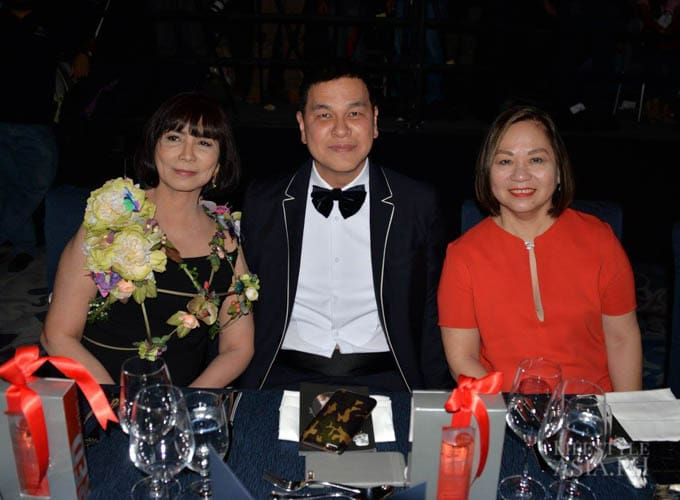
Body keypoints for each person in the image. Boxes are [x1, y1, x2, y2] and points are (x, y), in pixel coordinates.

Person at [238, 60, 452, 392]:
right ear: (302, 126)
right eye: (324, 115)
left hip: (388, 377)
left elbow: (431, 312)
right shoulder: (264, 201)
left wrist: (436, 400)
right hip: (281, 377)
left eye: (354, 113)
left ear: (375, 121)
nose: (341, 130)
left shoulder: (416, 203)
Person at [40, 92, 255, 388]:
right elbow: (57, 335)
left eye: (204, 143)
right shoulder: (112, 220)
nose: (187, 155)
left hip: (179, 400)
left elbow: (238, 347)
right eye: (174, 138)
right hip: (97, 392)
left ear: (219, 163)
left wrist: (185, 401)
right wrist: (119, 401)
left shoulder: (225, 240)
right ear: (154, 147)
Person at [437, 105, 643, 392]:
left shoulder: (600, 241)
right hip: (505, 406)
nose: (520, 175)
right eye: (505, 161)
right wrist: (509, 411)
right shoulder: (463, 255)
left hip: (590, 409)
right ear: (487, 173)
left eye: (536, 159)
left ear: (558, 171)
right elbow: (462, 359)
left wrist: (627, 413)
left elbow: (622, 339)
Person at [0, 0, 95, 272]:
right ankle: (23, 246)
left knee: (38, 183)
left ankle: (5, 231)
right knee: (8, 186)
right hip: (1, 121)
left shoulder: (51, 21)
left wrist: (84, 53)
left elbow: (85, 37)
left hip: (37, 121)